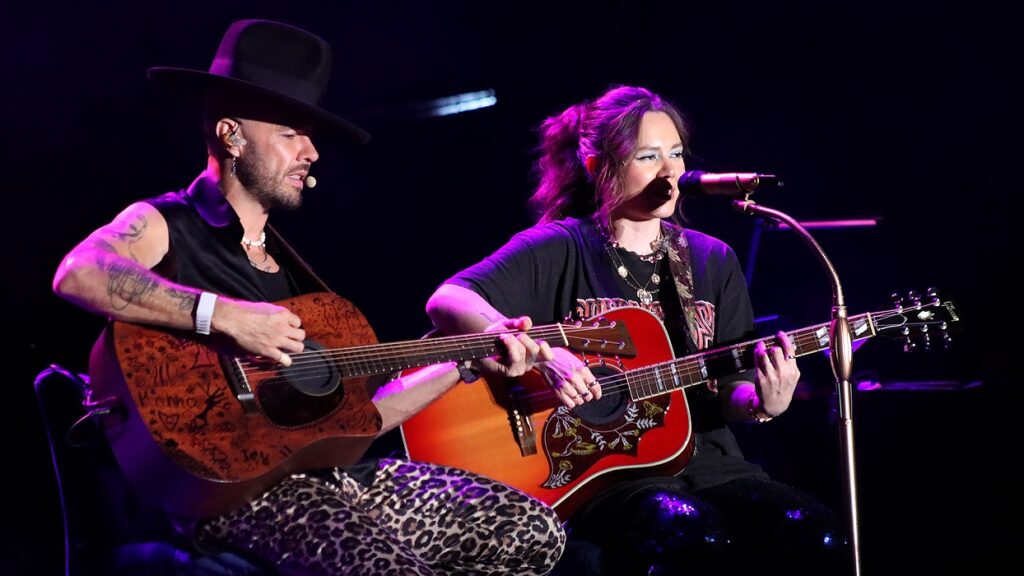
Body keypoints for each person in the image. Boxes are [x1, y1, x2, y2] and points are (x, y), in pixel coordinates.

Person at [52, 19, 565, 576]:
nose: (312, 152)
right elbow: (79, 273)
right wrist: (222, 317)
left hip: (330, 479)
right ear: (232, 134)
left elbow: (362, 416)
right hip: (237, 493)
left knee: (534, 533)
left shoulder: (297, 276)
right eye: (292, 132)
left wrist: (465, 356)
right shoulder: (167, 223)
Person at [426, 85, 847, 575]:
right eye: (649, 156)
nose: (671, 171)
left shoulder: (712, 259)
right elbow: (447, 300)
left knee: (813, 534)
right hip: (609, 475)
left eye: (676, 154)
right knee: (689, 532)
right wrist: (541, 352)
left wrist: (763, 404)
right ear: (598, 167)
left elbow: (731, 390)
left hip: (709, 464)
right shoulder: (560, 247)